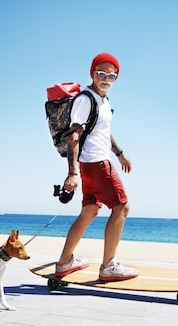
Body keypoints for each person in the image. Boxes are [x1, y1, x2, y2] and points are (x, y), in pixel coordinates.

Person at [55, 52, 139, 281]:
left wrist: (120, 153)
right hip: (97, 164)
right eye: (101, 73)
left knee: (89, 211)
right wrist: (71, 174)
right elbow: (74, 136)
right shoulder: (85, 99)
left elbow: (102, 131)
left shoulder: (102, 101)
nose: (106, 78)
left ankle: (64, 263)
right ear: (92, 73)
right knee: (122, 208)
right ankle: (108, 266)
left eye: (112, 75)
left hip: (91, 165)